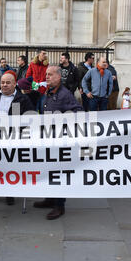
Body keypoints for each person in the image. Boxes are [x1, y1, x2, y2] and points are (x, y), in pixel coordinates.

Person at [34, 66, 83, 220]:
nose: (47, 77)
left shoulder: (64, 94)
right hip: (48, 139)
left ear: (58, 77)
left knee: (58, 173)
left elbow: (79, 112)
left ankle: (59, 205)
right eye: (46, 74)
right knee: (48, 170)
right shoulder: (49, 92)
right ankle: (50, 199)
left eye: (50, 74)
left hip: (59, 141)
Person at [0, 71, 34, 205]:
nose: (4, 85)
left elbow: (31, 118)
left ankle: (9, 193)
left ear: (15, 84)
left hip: (13, 139)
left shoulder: (23, 99)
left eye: (8, 83)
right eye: (2, 82)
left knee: (10, 167)